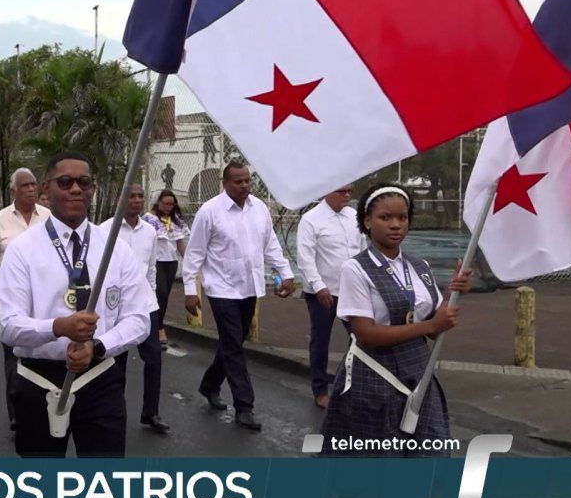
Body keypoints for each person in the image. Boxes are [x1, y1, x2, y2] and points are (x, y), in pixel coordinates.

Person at [0, 152, 155, 457]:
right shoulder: (22, 250)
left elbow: (138, 319)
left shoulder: (115, 249)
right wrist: (59, 327)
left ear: (92, 188)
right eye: (65, 182)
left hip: (100, 380)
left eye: (84, 182)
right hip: (38, 380)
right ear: (46, 189)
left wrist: (97, 347)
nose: (75, 189)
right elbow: (9, 327)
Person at [320, 184, 472, 456]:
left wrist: (453, 291)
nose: (395, 225)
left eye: (402, 217)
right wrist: (429, 326)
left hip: (418, 376)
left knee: (429, 454)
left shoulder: (419, 266)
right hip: (374, 380)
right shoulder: (355, 269)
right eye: (385, 217)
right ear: (367, 221)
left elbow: (435, 326)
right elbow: (365, 333)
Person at [183, 162, 294, 431]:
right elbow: (194, 254)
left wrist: (285, 272)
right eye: (238, 181)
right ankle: (244, 406)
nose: (244, 185)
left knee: (233, 341)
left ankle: (209, 384)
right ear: (225, 183)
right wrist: (189, 291)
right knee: (233, 345)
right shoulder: (210, 212)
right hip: (221, 288)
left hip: (249, 287)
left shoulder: (260, 208)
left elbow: (270, 244)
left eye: (247, 181)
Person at [0, 167, 50, 433]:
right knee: (14, 356)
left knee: (42, 355)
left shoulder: (50, 218)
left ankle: (42, 405)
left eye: (33, 184)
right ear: (13, 191)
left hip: (44, 301)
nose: (31, 189)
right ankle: (17, 413)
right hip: (7, 302)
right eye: (25, 185)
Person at [103, 184, 168, 433]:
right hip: (117, 306)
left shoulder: (150, 231)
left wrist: (154, 301)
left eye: (141, 196)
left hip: (145, 304)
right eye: (132, 196)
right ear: (121, 199)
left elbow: (151, 269)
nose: (137, 200)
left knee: (154, 359)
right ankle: (114, 410)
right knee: (117, 361)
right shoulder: (105, 230)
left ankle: (151, 413)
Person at [295, 184, 362, 409]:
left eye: (349, 191)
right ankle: (320, 389)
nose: (347, 195)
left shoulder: (354, 216)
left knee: (361, 338)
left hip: (352, 291)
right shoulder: (311, 219)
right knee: (321, 340)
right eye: (342, 191)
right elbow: (305, 257)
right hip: (323, 293)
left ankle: (352, 384)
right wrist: (319, 286)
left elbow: (362, 250)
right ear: (328, 191)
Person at [143, 190, 189, 348]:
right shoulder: (150, 219)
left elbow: (179, 244)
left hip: (171, 262)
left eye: (172, 204)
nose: (169, 207)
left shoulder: (175, 221)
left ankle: (155, 324)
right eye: (166, 203)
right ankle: (159, 328)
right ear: (158, 202)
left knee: (165, 295)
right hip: (157, 262)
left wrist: (189, 262)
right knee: (160, 293)